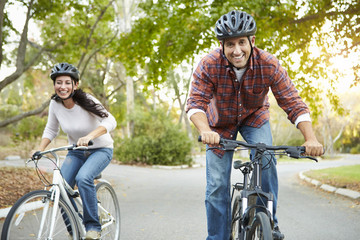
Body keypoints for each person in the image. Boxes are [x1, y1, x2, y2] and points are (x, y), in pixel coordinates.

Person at [186, 10, 323, 240]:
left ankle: (269, 222)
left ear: (252, 41)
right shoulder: (208, 64)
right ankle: (217, 237)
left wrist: (311, 138)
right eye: (230, 44)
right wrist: (205, 131)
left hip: (254, 117)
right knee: (217, 183)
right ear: (222, 45)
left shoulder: (268, 64)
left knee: (266, 161)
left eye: (241, 42)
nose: (236, 50)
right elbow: (195, 104)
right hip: (218, 125)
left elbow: (293, 102)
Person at [32, 62, 117, 240]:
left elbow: (110, 122)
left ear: (75, 85)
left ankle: (93, 227)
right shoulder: (55, 104)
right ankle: (74, 230)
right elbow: (51, 130)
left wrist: (90, 136)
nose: (62, 87)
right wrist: (39, 150)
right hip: (76, 152)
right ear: (54, 85)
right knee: (60, 188)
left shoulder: (87, 101)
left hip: (100, 149)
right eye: (59, 82)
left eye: (67, 82)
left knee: (83, 178)